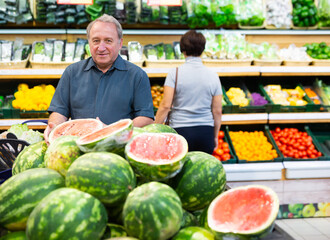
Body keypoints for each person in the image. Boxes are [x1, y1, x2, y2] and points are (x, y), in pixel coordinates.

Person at [44, 14, 154, 143]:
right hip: (78, 147)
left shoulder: (137, 75)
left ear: (120, 43)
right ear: (89, 43)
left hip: (118, 148)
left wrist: (113, 132)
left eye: (108, 41)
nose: (101, 48)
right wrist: (54, 126)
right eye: (96, 41)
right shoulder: (72, 72)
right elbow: (59, 111)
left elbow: (146, 117)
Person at [154, 30, 222, 154]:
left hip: (181, 131)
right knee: (202, 170)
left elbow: (165, 106)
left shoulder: (174, 73)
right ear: (203, 49)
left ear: (182, 50)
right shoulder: (213, 76)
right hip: (205, 132)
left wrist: (154, 131)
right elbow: (217, 111)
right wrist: (215, 135)